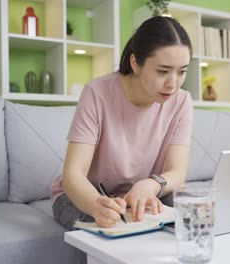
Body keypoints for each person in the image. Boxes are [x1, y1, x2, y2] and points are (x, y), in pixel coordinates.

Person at [50, 16, 193, 231]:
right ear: (135, 63)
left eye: (182, 72)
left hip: (140, 195)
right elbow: (73, 175)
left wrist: (150, 185)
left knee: (190, 215)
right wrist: (96, 205)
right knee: (109, 226)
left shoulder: (181, 101)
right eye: (162, 71)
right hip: (85, 195)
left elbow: (177, 172)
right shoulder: (96, 93)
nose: (173, 84)